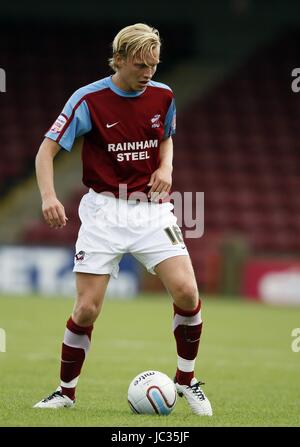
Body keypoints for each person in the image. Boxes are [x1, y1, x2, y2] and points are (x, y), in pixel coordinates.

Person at [33, 23, 212, 416]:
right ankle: (65, 392)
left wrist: (166, 167)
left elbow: (166, 136)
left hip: (151, 209)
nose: (148, 73)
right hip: (103, 212)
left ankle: (186, 381)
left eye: (154, 65)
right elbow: (45, 152)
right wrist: (49, 196)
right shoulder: (88, 99)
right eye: (140, 65)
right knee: (87, 310)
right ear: (118, 59)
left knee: (187, 291)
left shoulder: (163, 95)